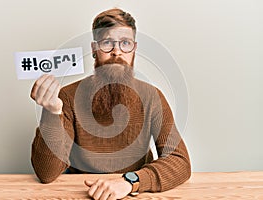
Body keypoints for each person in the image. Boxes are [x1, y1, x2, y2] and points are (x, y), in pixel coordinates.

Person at [30, 8, 191, 200]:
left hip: (133, 193)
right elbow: (47, 173)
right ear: (94, 50)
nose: (116, 52)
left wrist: (130, 182)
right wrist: (52, 111)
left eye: (125, 43)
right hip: (79, 193)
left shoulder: (152, 97)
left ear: (134, 50)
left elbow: (180, 161)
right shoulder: (67, 97)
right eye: (107, 43)